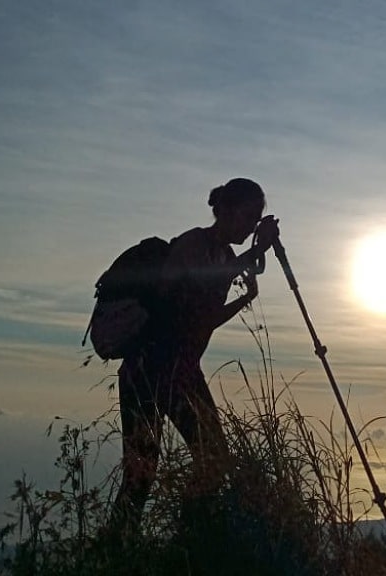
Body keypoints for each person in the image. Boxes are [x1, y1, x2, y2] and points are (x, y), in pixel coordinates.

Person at [107, 177, 279, 537]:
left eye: (256, 218)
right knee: (142, 470)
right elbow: (173, 303)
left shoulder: (224, 257)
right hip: (150, 367)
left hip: (182, 370)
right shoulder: (193, 243)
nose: (251, 226)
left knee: (213, 459)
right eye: (249, 216)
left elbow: (202, 321)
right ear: (227, 211)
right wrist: (252, 255)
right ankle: (117, 548)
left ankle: (188, 537)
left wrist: (243, 298)